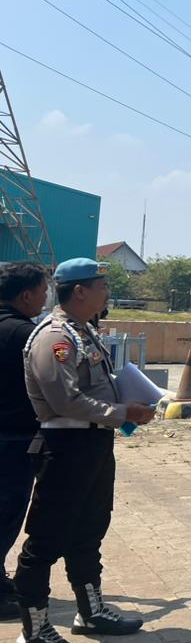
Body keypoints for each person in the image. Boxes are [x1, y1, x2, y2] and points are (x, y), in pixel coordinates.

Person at [12, 258, 156, 643]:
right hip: (66, 447)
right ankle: (34, 630)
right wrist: (122, 412)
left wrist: (126, 406)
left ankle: (90, 611)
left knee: (90, 528)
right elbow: (64, 400)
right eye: (102, 286)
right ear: (79, 291)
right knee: (46, 539)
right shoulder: (54, 337)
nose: (107, 293)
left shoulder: (84, 331)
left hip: (93, 443)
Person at [0, 262, 49, 622]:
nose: (45, 298)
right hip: (13, 439)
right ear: (27, 295)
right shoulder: (26, 335)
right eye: (43, 291)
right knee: (6, 513)